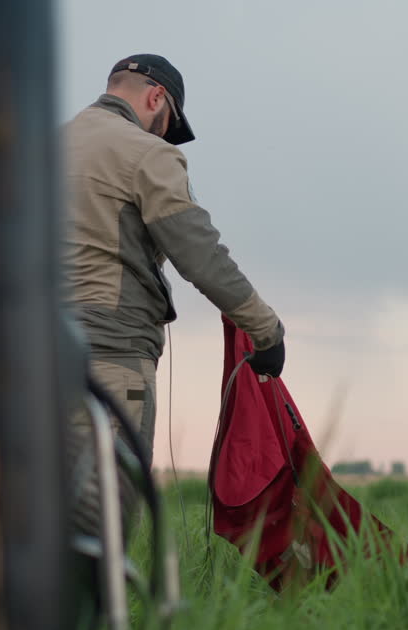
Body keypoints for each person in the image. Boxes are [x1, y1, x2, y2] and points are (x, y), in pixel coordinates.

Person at [62, 54, 286, 538]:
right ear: (156, 97)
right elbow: (200, 254)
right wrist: (266, 331)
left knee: (33, 521)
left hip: (27, 361)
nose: (164, 135)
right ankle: (94, 616)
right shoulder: (145, 153)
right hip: (110, 364)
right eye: (167, 124)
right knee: (102, 529)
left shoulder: (42, 146)